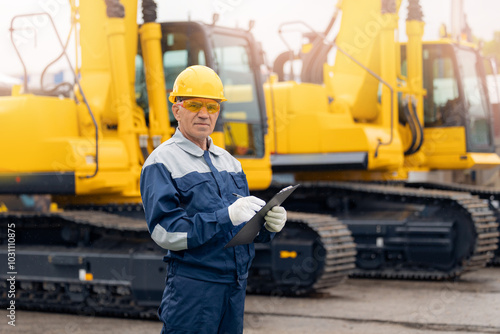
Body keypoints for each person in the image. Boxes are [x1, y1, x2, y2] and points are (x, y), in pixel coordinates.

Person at [140, 65, 287, 334]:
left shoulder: (229, 162)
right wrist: (225, 216)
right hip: (194, 287)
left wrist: (267, 226)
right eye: (195, 104)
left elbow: (242, 228)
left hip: (234, 285)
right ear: (177, 109)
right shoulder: (161, 162)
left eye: (212, 106)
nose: (204, 114)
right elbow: (165, 232)